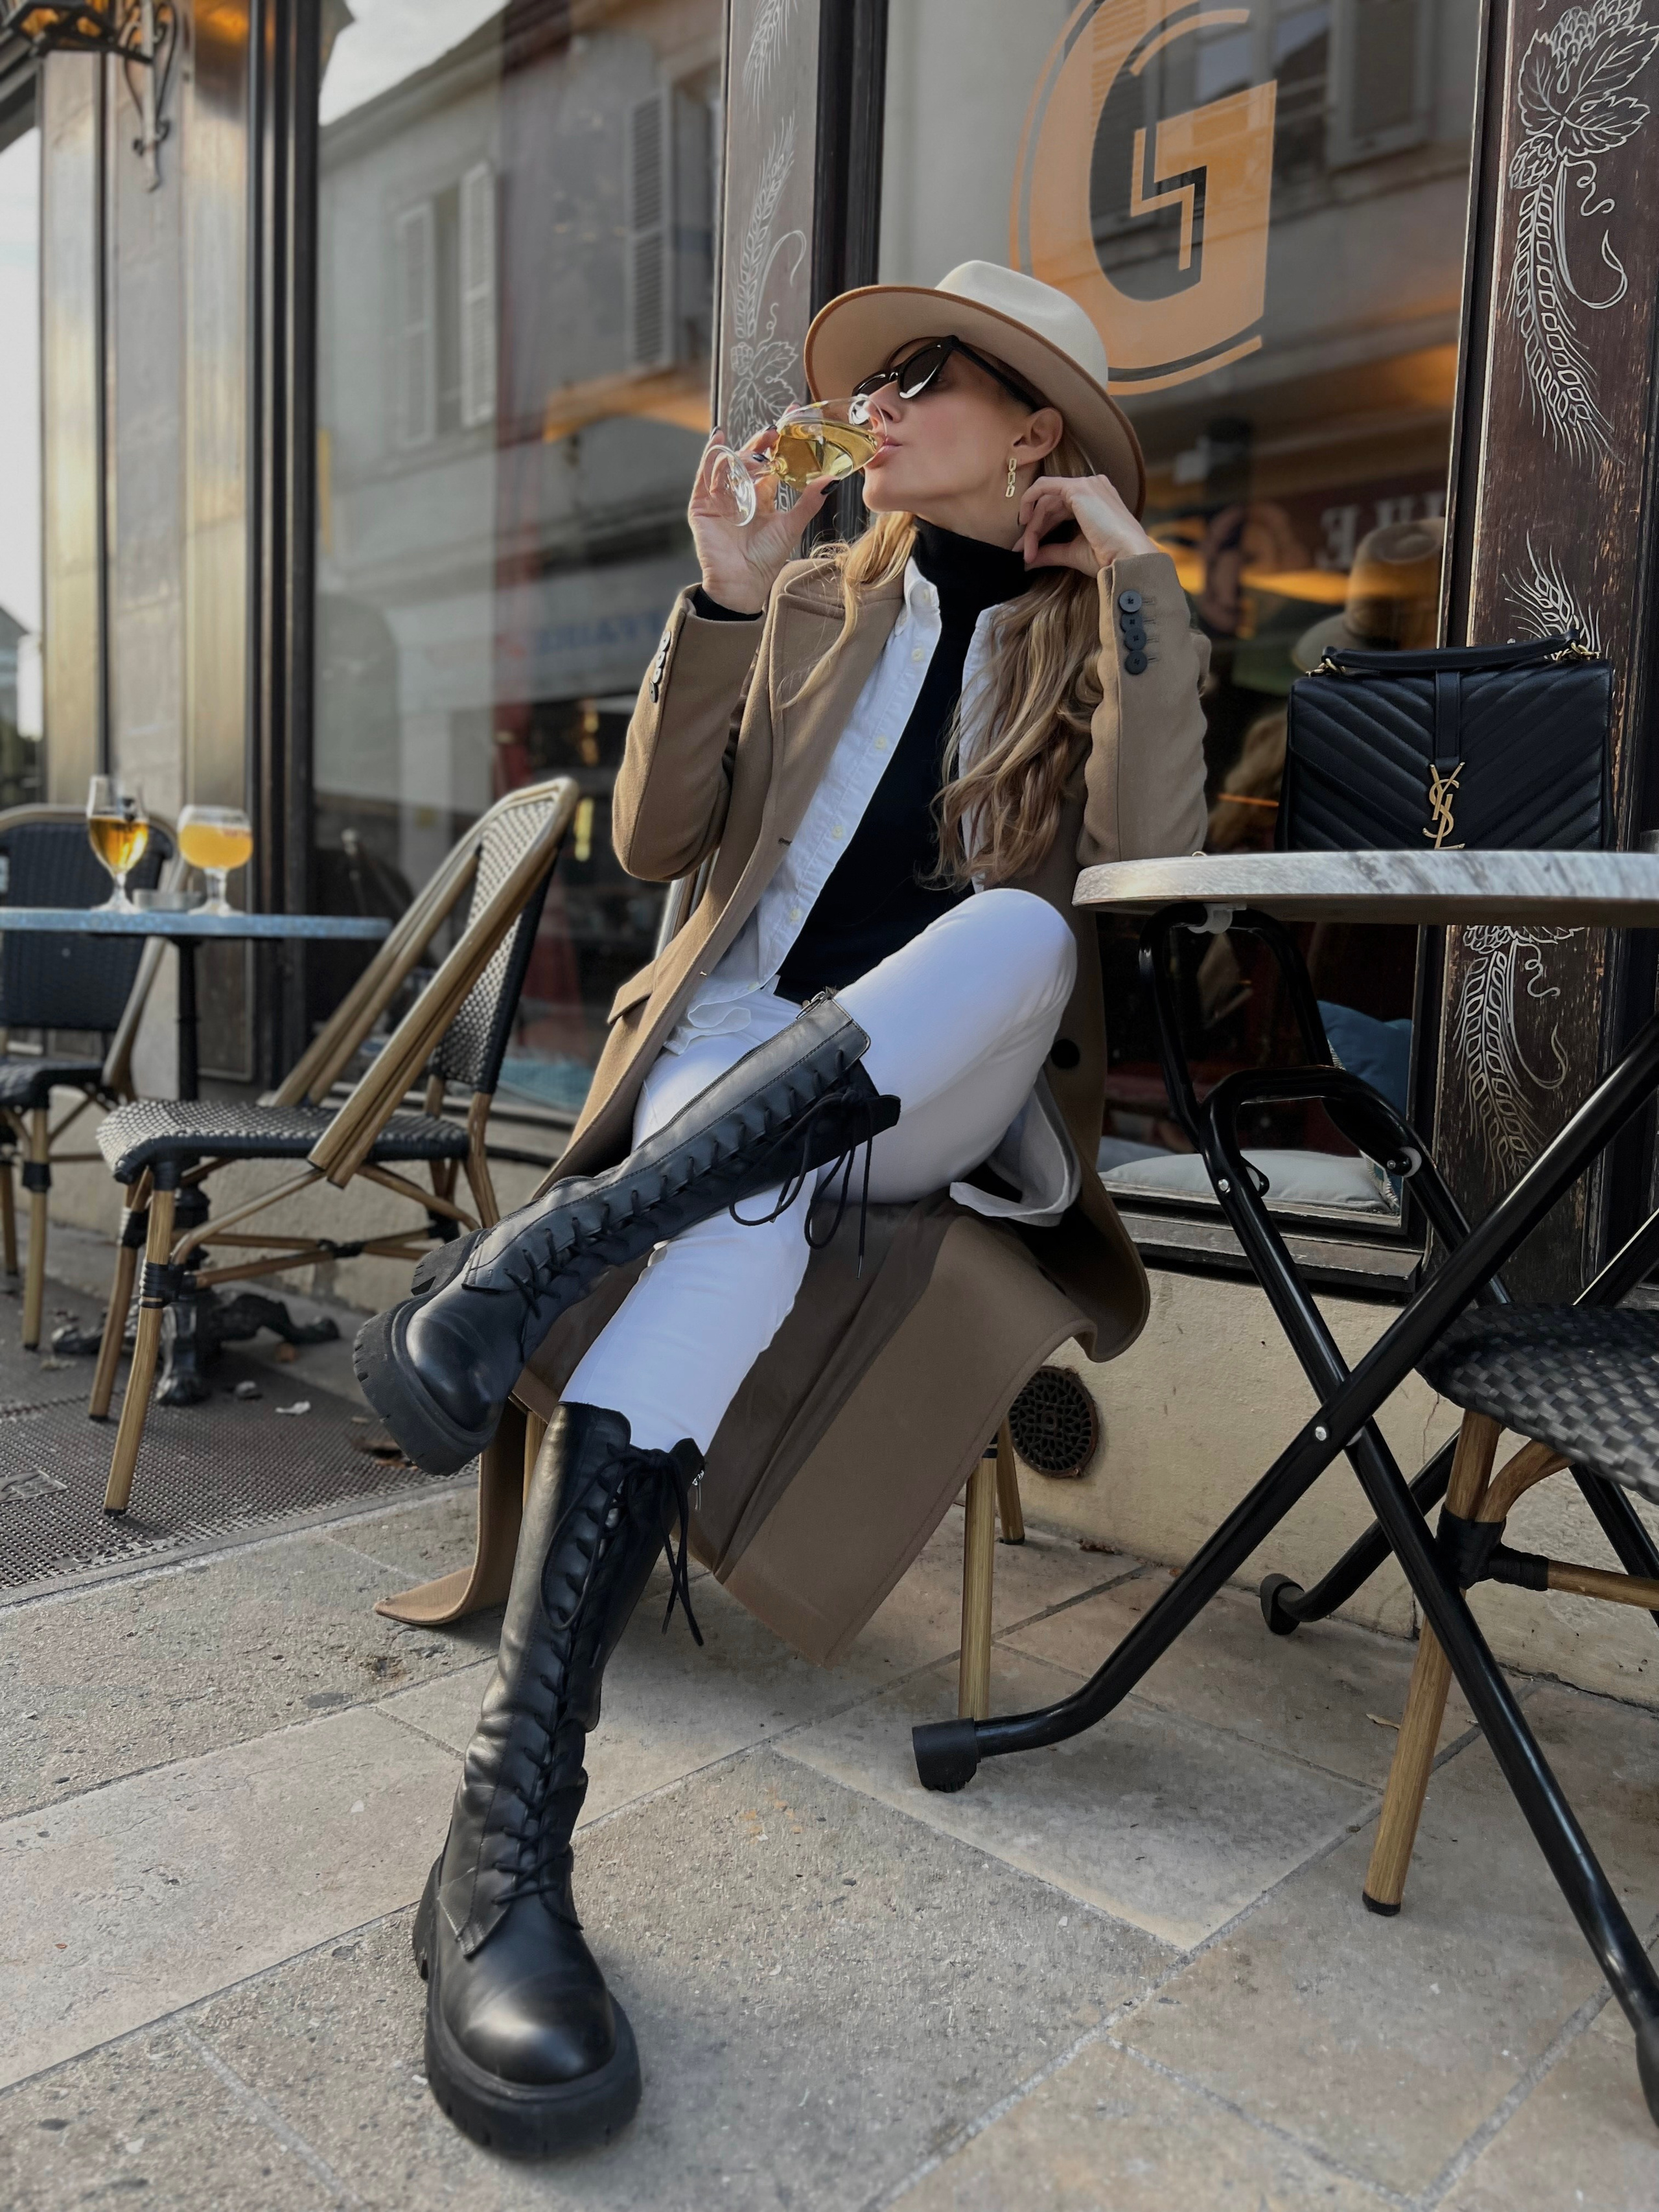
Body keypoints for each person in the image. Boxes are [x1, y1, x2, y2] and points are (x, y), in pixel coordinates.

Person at [355, 261, 1210, 2158]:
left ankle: (536, 1262)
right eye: (879, 376)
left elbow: (1150, 866)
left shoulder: (1095, 632)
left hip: (957, 1090)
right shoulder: (820, 595)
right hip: (735, 1058)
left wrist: (1135, 570)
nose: (882, 404)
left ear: (1036, 432)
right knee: (742, 1199)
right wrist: (729, 598)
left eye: (931, 379)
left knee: (1010, 931)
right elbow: (660, 845)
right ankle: (502, 1853)